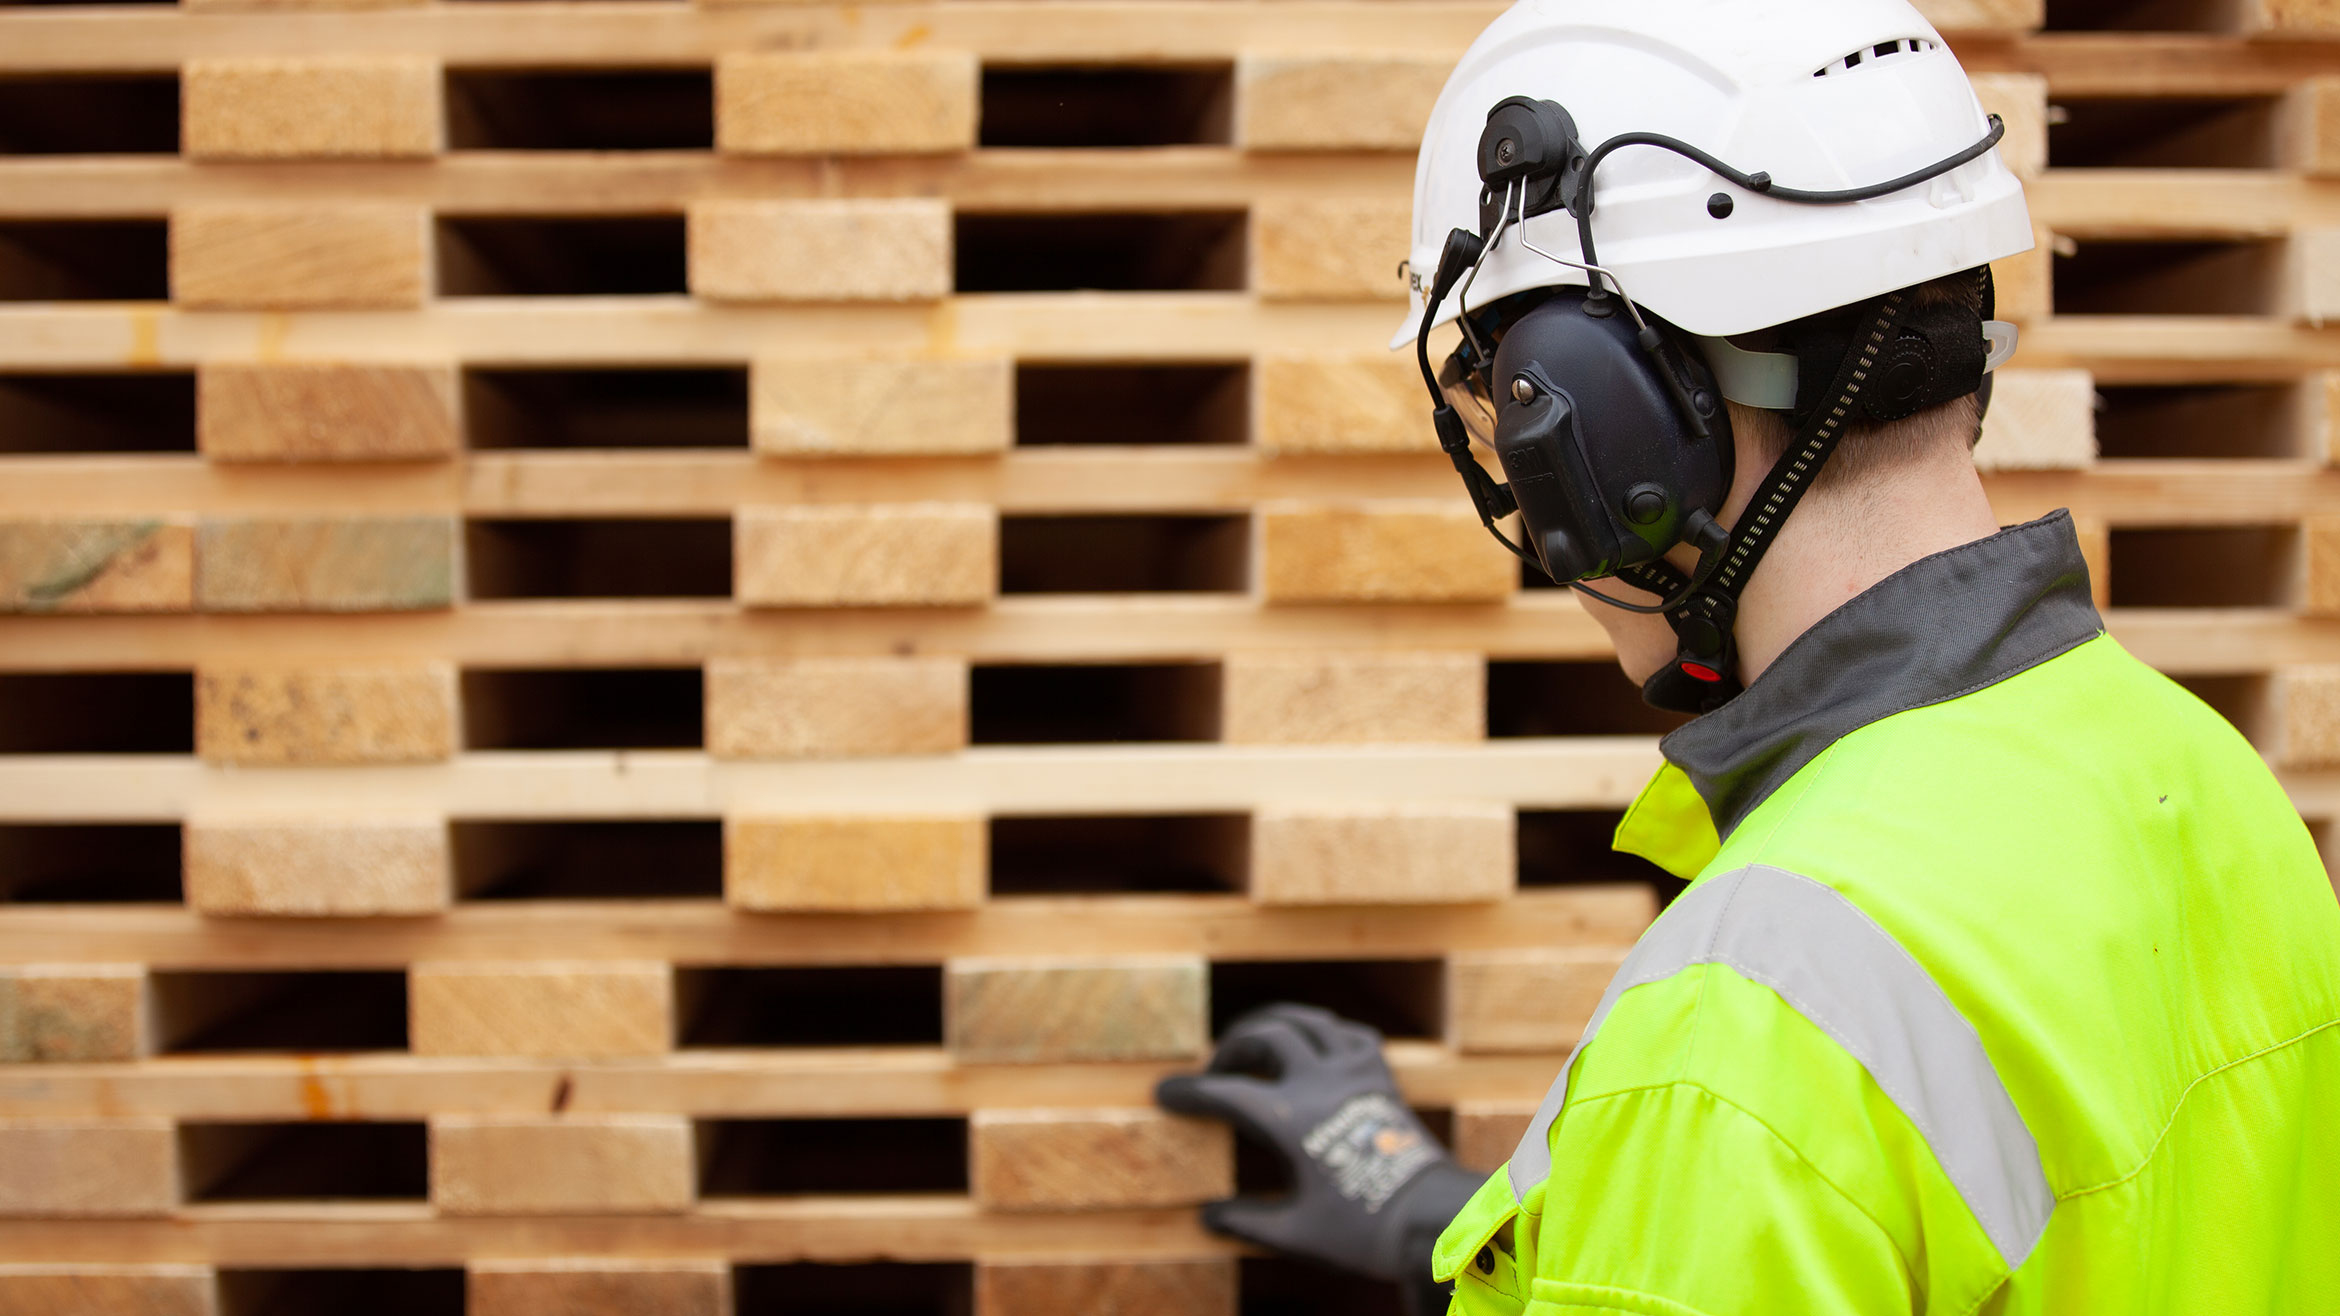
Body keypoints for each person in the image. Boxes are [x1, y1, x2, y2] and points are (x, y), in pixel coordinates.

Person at [1159, 1, 2340, 1312]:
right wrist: (1442, 1228)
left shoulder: (1745, 1031)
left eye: (1513, 410)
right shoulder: (2205, 786)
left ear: (1606, 431)